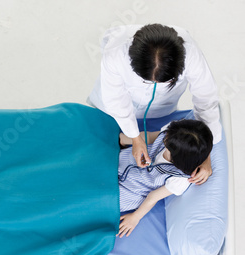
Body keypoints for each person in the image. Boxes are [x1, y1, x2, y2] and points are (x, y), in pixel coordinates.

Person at [88, 23, 222, 185]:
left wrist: (205, 154)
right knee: (99, 137)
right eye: (147, 81)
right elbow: (115, 99)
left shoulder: (191, 53)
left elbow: (206, 101)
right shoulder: (116, 53)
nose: (153, 85)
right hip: (112, 107)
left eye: (163, 82)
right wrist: (135, 138)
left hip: (162, 107)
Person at [117, 119, 213, 238]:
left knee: (102, 195)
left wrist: (135, 217)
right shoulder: (173, 133)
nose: (164, 137)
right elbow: (148, 137)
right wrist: (121, 139)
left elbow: (152, 197)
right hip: (125, 161)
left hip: (132, 190)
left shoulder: (179, 179)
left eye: (166, 140)